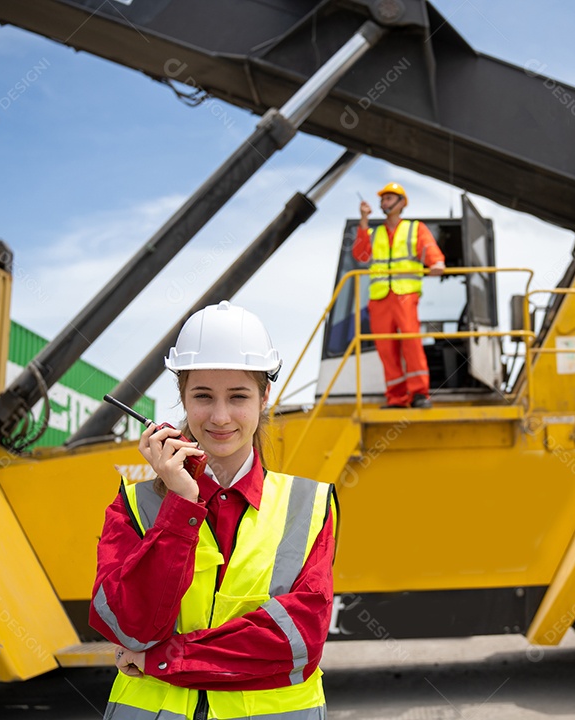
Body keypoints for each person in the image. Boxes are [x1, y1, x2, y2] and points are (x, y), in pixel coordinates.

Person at [90, 300, 338, 720]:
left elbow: (296, 642)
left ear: (264, 398)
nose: (220, 417)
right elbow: (129, 627)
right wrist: (181, 504)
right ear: (182, 399)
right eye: (203, 396)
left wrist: (164, 660)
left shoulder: (309, 506)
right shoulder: (135, 505)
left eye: (238, 396)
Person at [354, 182, 446, 409]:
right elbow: (361, 255)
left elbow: (428, 249)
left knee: (410, 343)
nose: (384, 202)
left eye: (389, 198)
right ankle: (396, 398)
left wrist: (437, 262)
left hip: (405, 295)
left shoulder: (414, 229)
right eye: (382, 199)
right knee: (386, 348)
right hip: (379, 298)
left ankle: (419, 394)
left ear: (401, 203)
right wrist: (363, 220)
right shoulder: (373, 233)